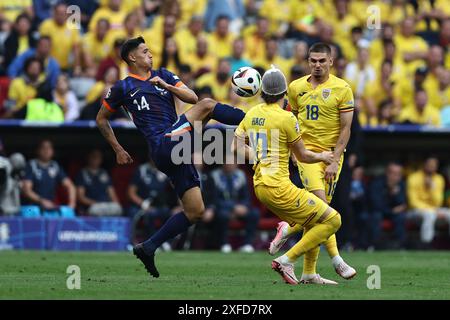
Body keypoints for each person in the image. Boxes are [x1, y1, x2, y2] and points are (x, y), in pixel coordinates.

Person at [96, 36, 246, 278]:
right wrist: (118, 149)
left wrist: (168, 87)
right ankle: (255, 119)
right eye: (145, 52)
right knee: (209, 105)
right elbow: (101, 119)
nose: (150, 54)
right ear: (132, 57)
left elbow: (192, 97)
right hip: (163, 143)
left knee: (195, 211)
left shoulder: (164, 75)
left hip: (177, 146)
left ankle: (148, 247)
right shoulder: (123, 87)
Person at [231, 67, 340, 285]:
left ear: (261, 92)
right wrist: (324, 156)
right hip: (279, 187)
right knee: (332, 219)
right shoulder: (287, 118)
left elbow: (236, 147)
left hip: (260, 187)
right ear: (284, 94)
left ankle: (308, 271)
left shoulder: (252, 113)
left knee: (314, 218)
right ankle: (287, 259)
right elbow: (303, 156)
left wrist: (260, 157)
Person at [268, 43, 357, 282]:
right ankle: (336, 260)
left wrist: (334, 160)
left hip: (330, 157)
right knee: (323, 209)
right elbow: (291, 121)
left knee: (318, 215)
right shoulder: (296, 88)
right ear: (308, 62)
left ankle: (306, 267)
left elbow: (346, 128)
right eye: (313, 61)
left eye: (322, 61)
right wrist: (292, 153)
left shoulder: (343, 88)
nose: (317, 65)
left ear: (331, 61)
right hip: (306, 156)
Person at [209, 161, 259, 253]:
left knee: (254, 213)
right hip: (223, 208)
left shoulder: (240, 176)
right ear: (223, 163)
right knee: (222, 215)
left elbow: (246, 197)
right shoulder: (214, 176)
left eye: (232, 162)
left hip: (239, 209)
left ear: (237, 164)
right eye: (227, 162)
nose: (230, 165)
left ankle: (247, 244)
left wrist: (243, 206)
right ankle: (224, 244)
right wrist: (232, 207)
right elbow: (214, 199)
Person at [22, 139, 76, 217]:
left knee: (67, 212)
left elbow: (70, 186)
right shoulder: (31, 165)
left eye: (49, 148)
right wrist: (41, 200)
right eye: (43, 148)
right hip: (32, 206)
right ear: (38, 150)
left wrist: (72, 204)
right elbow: (26, 190)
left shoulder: (55, 166)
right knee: (32, 211)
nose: (46, 151)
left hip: (50, 207)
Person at [407, 156, 450, 244]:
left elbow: (438, 202)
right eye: (429, 164)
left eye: (434, 165)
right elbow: (413, 202)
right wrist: (433, 210)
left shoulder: (439, 179)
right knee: (429, 214)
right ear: (424, 165)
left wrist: (431, 188)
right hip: (414, 212)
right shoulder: (413, 178)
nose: (431, 167)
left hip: (434, 210)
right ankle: (427, 244)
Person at [369, 162, 407, 249]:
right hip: (380, 212)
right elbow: (376, 204)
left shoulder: (401, 184)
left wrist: (395, 195)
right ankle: (375, 246)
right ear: (387, 173)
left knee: (401, 217)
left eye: (398, 174)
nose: (395, 177)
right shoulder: (377, 183)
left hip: (394, 213)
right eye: (393, 173)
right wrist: (389, 194)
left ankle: (399, 246)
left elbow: (402, 204)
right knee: (376, 216)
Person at [75, 149, 122, 216]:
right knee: (96, 210)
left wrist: (116, 204)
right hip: (91, 206)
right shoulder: (82, 174)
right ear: (88, 158)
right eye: (94, 156)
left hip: (106, 205)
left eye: (98, 157)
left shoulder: (104, 173)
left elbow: (112, 193)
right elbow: (80, 197)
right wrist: (96, 203)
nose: (96, 159)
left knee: (118, 208)